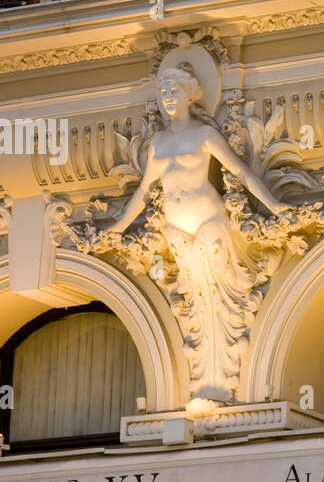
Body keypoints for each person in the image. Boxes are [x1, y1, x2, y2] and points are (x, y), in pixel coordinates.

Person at [109, 63, 287, 402]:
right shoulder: (158, 142)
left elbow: (240, 171)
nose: (167, 98)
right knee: (196, 298)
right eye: (163, 92)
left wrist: (274, 205)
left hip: (209, 222)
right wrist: (118, 225)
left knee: (216, 289)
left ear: (190, 94)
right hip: (176, 230)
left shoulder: (204, 135)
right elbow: (144, 191)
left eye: (174, 91)